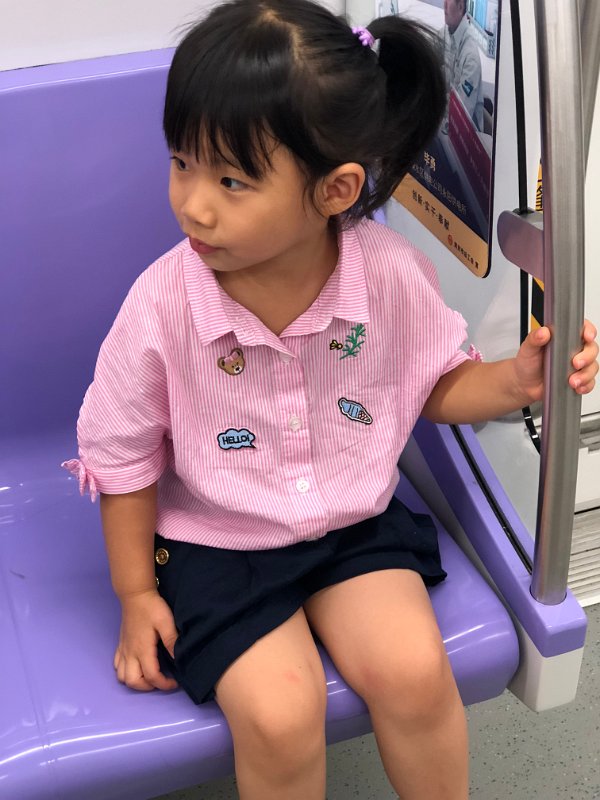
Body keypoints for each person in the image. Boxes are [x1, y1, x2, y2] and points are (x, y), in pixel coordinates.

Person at [63, 2, 598, 798]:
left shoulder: (388, 275)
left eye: (231, 180)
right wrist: (135, 594)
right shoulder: (162, 305)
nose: (194, 205)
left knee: (417, 676)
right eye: (181, 163)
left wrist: (517, 380)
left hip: (349, 525)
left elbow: (436, 384)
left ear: (335, 189)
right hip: (218, 541)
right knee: (281, 715)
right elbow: (124, 456)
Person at [439, 0, 484, 131]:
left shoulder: (470, 58)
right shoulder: (446, 33)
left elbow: (460, 117)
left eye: (449, 1)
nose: (444, 5)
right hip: (444, 116)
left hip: (464, 133)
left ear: (460, 7)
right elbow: (429, 53)